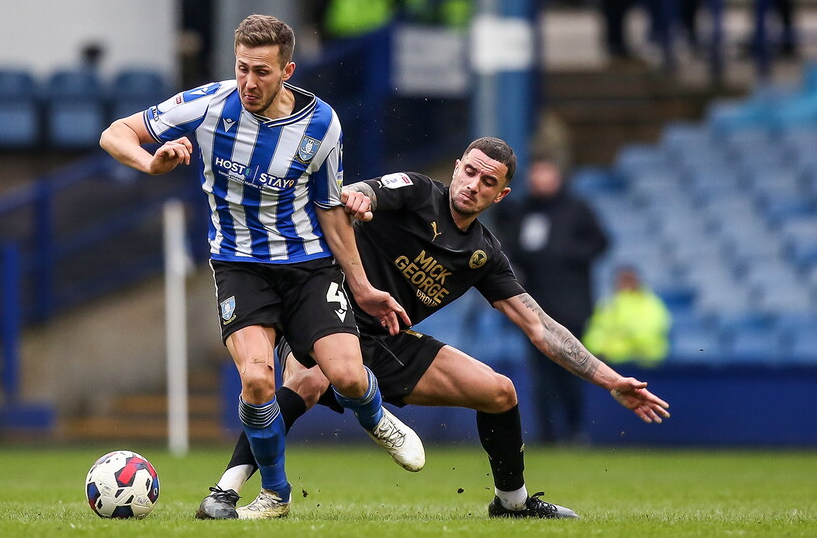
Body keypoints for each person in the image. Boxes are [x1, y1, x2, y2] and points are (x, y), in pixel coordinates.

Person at [196, 137, 670, 520]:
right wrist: (359, 196)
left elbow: (540, 326)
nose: (473, 185)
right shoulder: (418, 191)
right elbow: (362, 193)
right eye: (470, 171)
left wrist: (612, 380)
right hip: (325, 315)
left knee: (501, 391)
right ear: (458, 164)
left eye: (488, 182)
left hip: (387, 339)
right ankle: (227, 489)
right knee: (308, 381)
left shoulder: (484, 254)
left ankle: (512, 503)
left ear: (500, 194)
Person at [99, 14, 423, 520]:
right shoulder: (209, 103)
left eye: (263, 72)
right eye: (243, 68)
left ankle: (374, 414)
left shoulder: (322, 125)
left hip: (309, 266)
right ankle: (275, 495)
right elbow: (115, 133)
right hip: (238, 266)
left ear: (287, 70)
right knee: (257, 380)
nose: (249, 82)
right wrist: (149, 162)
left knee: (348, 378)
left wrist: (361, 286)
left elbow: (331, 209)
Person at [494, 157, 609, 445]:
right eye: (535, 174)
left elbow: (601, 242)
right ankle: (547, 435)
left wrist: (567, 254)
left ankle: (574, 431)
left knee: (571, 367)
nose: (539, 180)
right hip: (534, 305)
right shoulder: (524, 210)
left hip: (571, 302)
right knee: (540, 375)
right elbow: (512, 248)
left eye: (545, 173)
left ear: (557, 177)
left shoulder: (576, 208)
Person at [583, 265, 672, 368]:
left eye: (629, 280)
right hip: (612, 364)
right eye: (622, 280)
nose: (625, 284)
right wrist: (599, 350)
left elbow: (651, 332)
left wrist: (624, 337)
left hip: (646, 365)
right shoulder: (607, 305)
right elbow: (594, 334)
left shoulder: (651, 304)